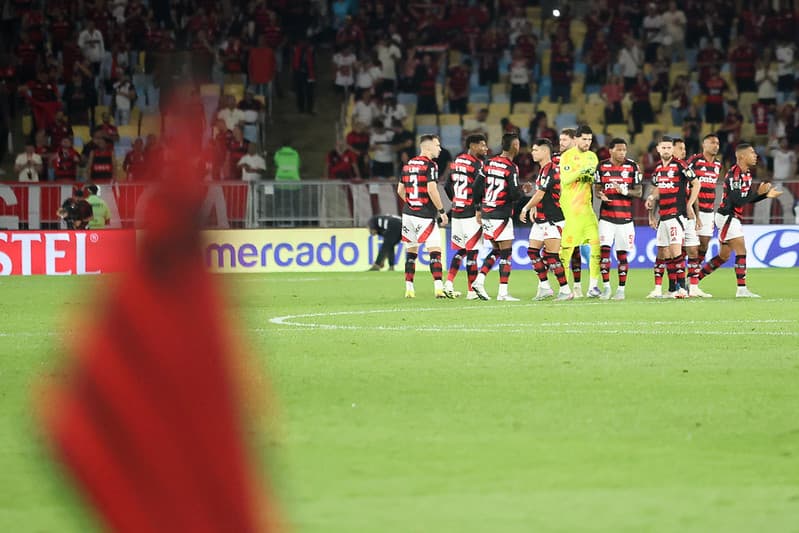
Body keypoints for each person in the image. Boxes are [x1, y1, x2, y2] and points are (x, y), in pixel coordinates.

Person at [698, 143, 783, 297]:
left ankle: (693, 281)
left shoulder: (747, 174)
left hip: (730, 217)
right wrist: (759, 192)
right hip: (728, 217)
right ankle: (742, 289)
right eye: (752, 152)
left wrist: (764, 195)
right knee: (741, 251)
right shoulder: (734, 175)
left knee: (723, 256)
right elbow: (737, 200)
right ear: (742, 156)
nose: (755, 155)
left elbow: (747, 198)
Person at [644, 136, 700, 298]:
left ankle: (682, 288)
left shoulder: (680, 165)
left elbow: (696, 183)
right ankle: (669, 289)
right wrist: (651, 205)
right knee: (663, 252)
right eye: (664, 148)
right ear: (658, 149)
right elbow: (656, 189)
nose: (667, 150)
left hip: (677, 214)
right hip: (663, 215)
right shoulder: (658, 169)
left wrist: (689, 204)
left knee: (676, 251)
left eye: (669, 148)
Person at [396, 134, 449, 299]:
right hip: (425, 215)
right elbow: (432, 190)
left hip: (408, 214)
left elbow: (400, 190)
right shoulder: (430, 165)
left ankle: (409, 288)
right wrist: (441, 211)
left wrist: (412, 202)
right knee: (435, 251)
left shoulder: (408, 165)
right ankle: (439, 288)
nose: (439, 149)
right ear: (428, 147)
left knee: (411, 252)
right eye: (437, 145)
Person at [471, 133, 522, 301]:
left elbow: (476, 186)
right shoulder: (511, 167)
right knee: (506, 252)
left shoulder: (488, 163)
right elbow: (514, 194)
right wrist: (524, 191)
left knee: (497, 250)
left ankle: (479, 280)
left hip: (487, 212)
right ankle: (503, 292)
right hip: (501, 214)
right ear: (514, 145)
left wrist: (478, 208)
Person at [520, 138, 572, 301]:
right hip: (541, 219)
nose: (532, 153)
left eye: (535, 150)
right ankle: (544, 287)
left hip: (553, 219)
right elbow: (540, 193)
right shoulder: (542, 170)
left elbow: (541, 194)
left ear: (544, 151)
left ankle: (565, 290)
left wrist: (526, 207)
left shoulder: (552, 170)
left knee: (551, 256)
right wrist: (534, 207)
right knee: (532, 252)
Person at [593, 138, 643, 300]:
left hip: (626, 219)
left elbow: (639, 193)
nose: (622, 153)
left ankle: (621, 290)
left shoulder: (633, 167)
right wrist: (601, 195)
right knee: (604, 253)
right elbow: (597, 189)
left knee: (622, 255)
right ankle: (606, 288)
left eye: (624, 150)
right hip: (606, 218)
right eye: (619, 150)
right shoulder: (602, 166)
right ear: (611, 150)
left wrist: (624, 191)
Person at [558, 125, 601, 297]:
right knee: (566, 251)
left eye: (590, 139)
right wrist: (581, 172)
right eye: (584, 139)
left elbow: (594, 180)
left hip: (587, 209)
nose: (587, 142)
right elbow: (566, 179)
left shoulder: (593, 157)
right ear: (576, 139)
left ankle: (593, 287)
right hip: (570, 210)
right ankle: (564, 289)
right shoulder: (567, 156)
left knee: (596, 246)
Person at [443, 133, 488, 300]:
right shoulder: (478, 165)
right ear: (473, 146)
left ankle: (448, 283)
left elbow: (447, 186)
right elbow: (479, 189)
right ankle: (471, 291)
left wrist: (455, 201)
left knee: (461, 249)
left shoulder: (457, 161)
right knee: (472, 252)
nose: (485, 148)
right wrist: (477, 207)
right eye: (482, 145)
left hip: (457, 212)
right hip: (471, 213)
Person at [685, 134, 722, 297]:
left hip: (709, 211)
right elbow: (691, 186)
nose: (716, 145)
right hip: (694, 210)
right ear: (704, 144)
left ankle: (691, 280)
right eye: (712, 143)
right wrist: (693, 209)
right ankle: (681, 281)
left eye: (718, 143)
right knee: (689, 247)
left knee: (704, 246)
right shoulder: (695, 161)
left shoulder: (718, 165)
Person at [754, 137, 796, 223]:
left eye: (786, 141)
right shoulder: (776, 153)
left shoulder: (791, 153)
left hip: (787, 183)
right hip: (776, 182)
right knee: (767, 202)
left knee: (788, 204)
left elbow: (794, 166)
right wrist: (771, 142)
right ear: (780, 143)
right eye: (783, 142)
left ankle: (789, 223)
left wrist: (791, 176)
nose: (785, 143)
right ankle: (764, 222)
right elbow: (765, 152)